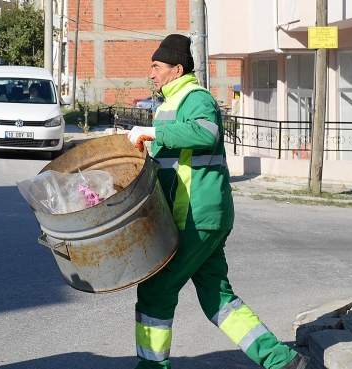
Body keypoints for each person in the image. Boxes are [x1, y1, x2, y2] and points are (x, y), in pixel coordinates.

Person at [125, 34, 310, 369]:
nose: (151, 73)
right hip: (199, 216)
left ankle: (151, 367)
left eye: (156, 66)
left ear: (177, 68)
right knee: (218, 298)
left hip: (194, 216)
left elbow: (206, 133)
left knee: (156, 291)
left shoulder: (195, 98)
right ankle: (282, 361)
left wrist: (153, 134)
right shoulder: (169, 102)